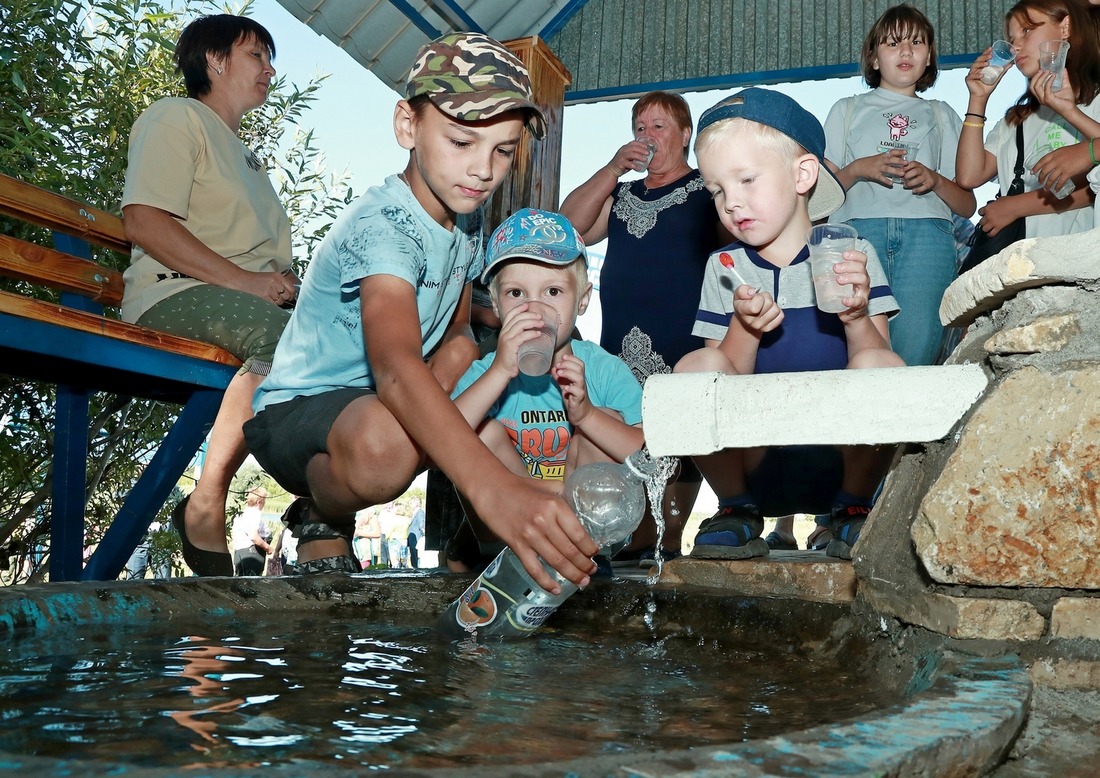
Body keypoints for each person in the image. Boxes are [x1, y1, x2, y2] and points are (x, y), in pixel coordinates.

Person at [243, 33, 599, 589]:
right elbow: (394, 366)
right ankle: (322, 508)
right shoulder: (386, 224)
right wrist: (491, 487)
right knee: (388, 447)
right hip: (301, 413)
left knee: (473, 351)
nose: (483, 170)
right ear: (408, 126)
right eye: (461, 141)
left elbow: (455, 325)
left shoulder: (468, 221)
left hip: (379, 404)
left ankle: (501, 521)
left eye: (502, 151)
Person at [674, 88, 905, 562]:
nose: (731, 203)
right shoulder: (724, 266)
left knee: (884, 361)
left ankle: (853, 507)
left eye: (746, 180)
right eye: (717, 190)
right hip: (757, 466)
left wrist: (856, 316)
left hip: (840, 463)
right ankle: (735, 507)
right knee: (694, 366)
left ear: (802, 174)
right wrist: (746, 327)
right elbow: (719, 378)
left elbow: (879, 364)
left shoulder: (852, 254)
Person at [120, 14, 299, 577]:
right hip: (173, 294)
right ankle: (206, 500)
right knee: (284, 342)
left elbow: (267, 262)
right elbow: (145, 222)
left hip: (245, 303)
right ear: (215, 60)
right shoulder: (176, 118)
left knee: (350, 352)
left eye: (271, 60)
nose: (269, 70)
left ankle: (322, 521)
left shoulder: (249, 159)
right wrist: (249, 283)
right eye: (256, 56)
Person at [560, 92, 731, 568]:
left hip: (683, 334)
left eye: (658, 126)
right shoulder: (624, 194)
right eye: (640, 127)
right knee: (620, 423)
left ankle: (670, 537)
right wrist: (614, 168)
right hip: (620, 337)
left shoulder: (707, 189)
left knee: (679, 431)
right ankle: (631, 533)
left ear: (685, 135)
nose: (647, 136)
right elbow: (569, 226)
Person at [448, 208, 645, 570]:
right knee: (476, 429)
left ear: (582, 300)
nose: (533, 309)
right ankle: (494, 547)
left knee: (605, 421)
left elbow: (650, 457)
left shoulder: (603, 370)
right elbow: (441, 442)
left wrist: (584, 416)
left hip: (582, 528)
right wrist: (499, 371)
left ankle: (584, 548)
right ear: (495, 305)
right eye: (516, 293)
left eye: (553, 291)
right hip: (508, 523)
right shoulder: (483, 372)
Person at [823, 5, 975, 368]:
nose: (906, 52)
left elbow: (967, 205)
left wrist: (936, 180)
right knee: (858, 350)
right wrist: (858, 169)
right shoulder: (845, 110)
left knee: (918, 353)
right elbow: (818, 198)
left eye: (917, 43)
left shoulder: (943, 114)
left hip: (930, 238)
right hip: (857, 236)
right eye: (893, 43)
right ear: (874, 58)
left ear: (929, 59)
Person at [956, 0, 1100, 242]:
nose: (1017, 46)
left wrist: (1017, 206)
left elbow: (1090, 188)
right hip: (1017, 262)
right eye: (1012, 40)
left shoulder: (1094, 101)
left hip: (1072, 255)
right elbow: (969, 177)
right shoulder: (1015, 121)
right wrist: (978, 99)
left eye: (1027, 30)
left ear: (1065, 28)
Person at [230, 487, 272, 576]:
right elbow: (253, 536)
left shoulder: (241, 514)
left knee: (240, 580)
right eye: (264, 501)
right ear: (259, 501)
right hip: (252, 554)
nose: (264, 504)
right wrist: (267, 547)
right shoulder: (255, 513)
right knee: (252, 584)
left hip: (239, 552)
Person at [406, 497, 425, 569]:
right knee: (413, 556)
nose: (410, 505)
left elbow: (421, 526)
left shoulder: (420, 513)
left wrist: (423, 537)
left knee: (416, 556)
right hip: (413, 539)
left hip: (416, 538)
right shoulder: (415, 513)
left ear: (417, 503)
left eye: (411, 503)